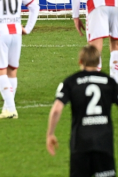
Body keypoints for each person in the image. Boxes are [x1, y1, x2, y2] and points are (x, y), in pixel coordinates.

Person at [47, 45, 118, 177]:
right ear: (98, 61)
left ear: (80, 61)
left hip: (80, 143)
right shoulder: (109, 82)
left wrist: (50, 134)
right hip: (104, 143)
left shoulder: (71, 81)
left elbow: (56, 109)